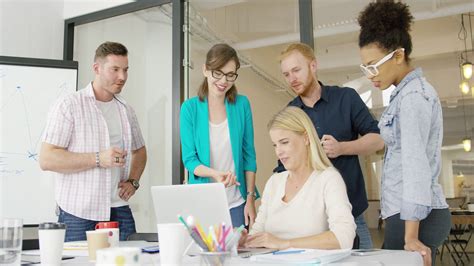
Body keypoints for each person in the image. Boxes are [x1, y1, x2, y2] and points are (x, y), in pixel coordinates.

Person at [357, 2, 450, 265]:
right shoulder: (403, 95)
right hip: (405, 214)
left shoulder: (413, 98)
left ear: (398, 55)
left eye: (373, 66)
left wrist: (411, 235)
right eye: (365, 68)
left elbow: (415, 167)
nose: (369, 75)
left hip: (416, 219)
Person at [275, 42, 384, 249]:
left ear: (313, 66)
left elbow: (377, 139)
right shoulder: (289, 114)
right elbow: (283, 167)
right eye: (286, 74)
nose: (292, 79)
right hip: (309, 223)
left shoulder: (346, 98)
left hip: (353, 217)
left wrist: (342, 148)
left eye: (296, 70)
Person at [39, 41, 147, 241]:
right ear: (96, 68)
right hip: (78, 213)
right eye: (115, 69)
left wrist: (133, 181)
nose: (122, 77)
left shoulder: (126, 110)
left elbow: (140, 151)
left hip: (119, 209)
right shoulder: (68, 105)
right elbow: (47, 159)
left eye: (125, 70)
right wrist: (98, 159)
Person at [240, 106, 355, 249]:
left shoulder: (328, 179)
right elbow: (258, 232)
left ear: (306, 138)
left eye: (284, 142)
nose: (278, 152)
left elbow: (344, 237)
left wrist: (284, 244)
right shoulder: (274, 182)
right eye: (275, 145)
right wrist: (243, 241)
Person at [180, 43, 258, 228]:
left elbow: (249, 155)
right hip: (202, 201)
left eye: (230, 74)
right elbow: (190, 160)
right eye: (218, 73)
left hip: (238, 202)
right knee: (204, 255)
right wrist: (215, 175)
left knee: (239, 254)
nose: (224, 81)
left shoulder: (241, 105)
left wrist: (250, 199)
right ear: (205, 70)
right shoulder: (189, 109)